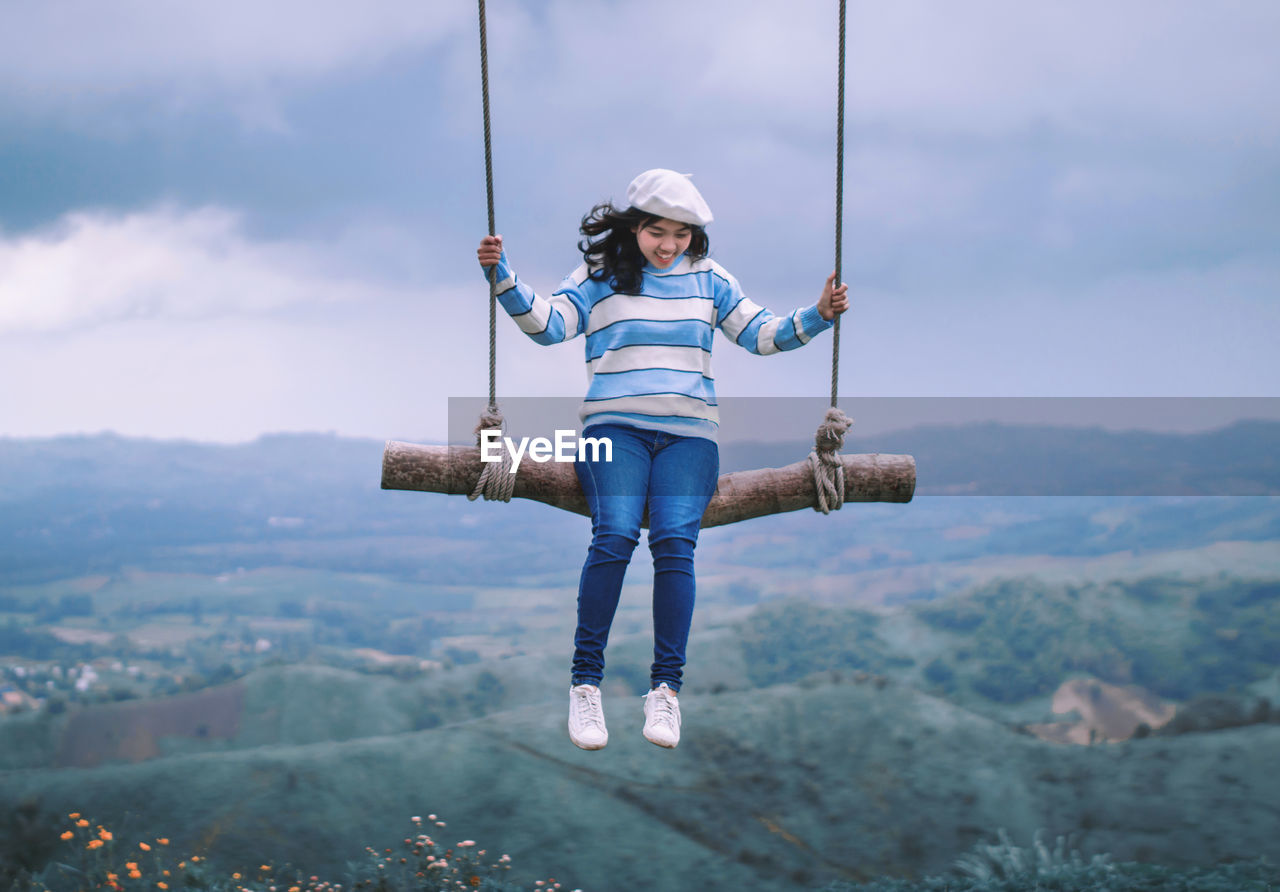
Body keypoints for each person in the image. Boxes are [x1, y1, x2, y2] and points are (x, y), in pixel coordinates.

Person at [476, 169, 848, 750]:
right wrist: (502, 277)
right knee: (616, 533)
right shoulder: (599, 276)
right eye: (657, 231)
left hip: (689, 436)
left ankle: (666, 692)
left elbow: (760, 335)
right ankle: (585, 686)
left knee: (676, 540)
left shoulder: (710, 280)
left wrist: (819, 314)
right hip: (614, 429)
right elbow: (550, 327)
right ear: (635, 226)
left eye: (681, 233)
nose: (670, 244)